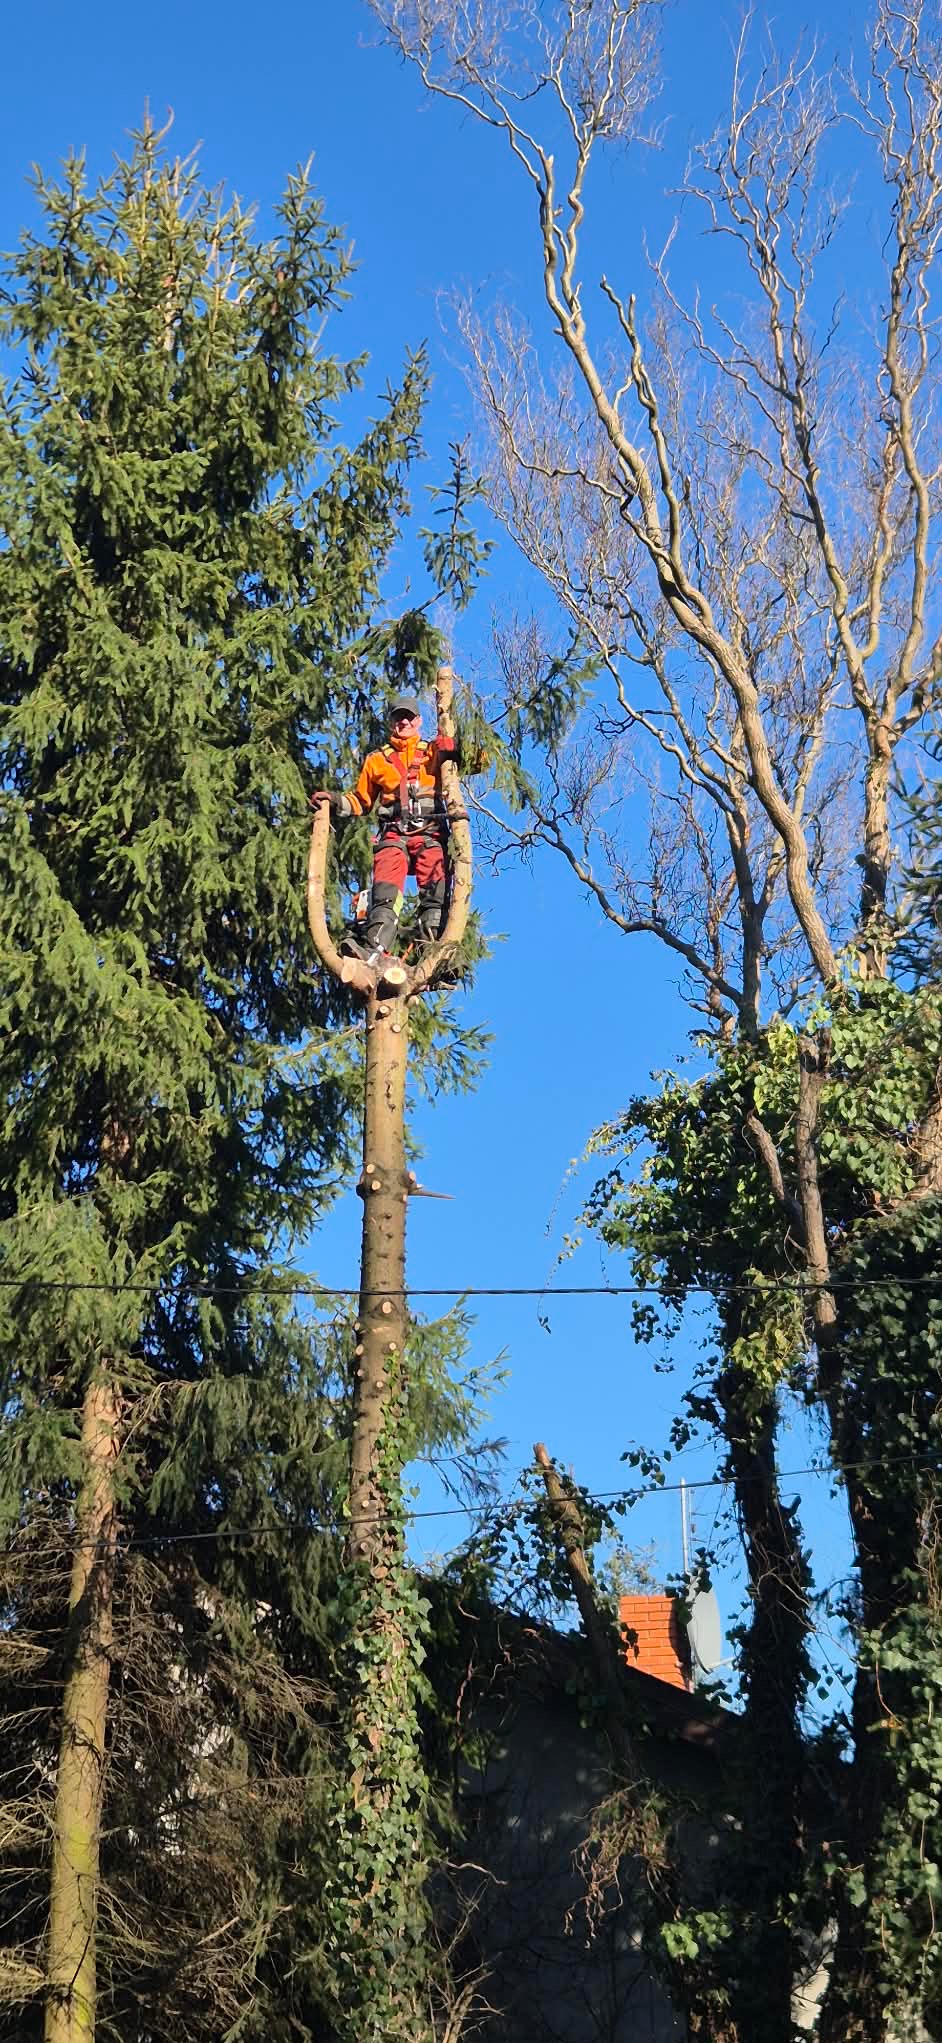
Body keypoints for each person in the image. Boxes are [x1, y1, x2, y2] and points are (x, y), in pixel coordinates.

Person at [313, 697, 459, 965]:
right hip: (394, 834)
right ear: (391, 721)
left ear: (418, 721)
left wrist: (453, 746)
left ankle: (435, 957)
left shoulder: (434, 751)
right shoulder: (377, 760)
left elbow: (478, 761)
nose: (403, 722)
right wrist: (333, 801)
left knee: (435, 895)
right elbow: (360, 801)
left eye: (409, 717)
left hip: (431, 834)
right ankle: (375, 950)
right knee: (385, 894)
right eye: (398, 717)